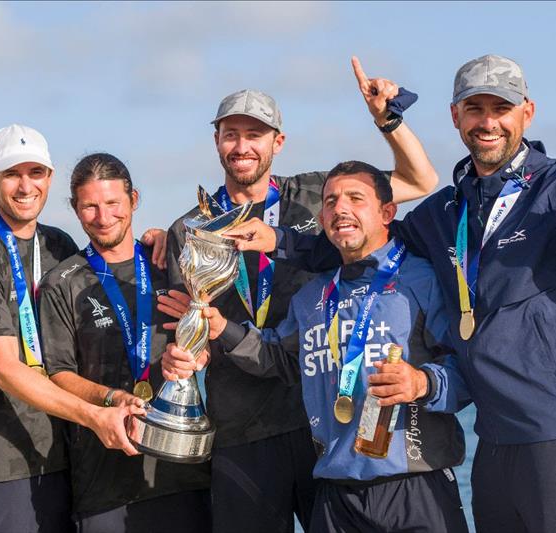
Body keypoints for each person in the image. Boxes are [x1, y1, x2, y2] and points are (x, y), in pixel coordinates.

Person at [228, 54, 556, 533]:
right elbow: (367, 243)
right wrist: (284, 241)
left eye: (500, 108)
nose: (487, 121)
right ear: (455, 116)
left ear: (527, 112)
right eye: (474, 108)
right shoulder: (443, 212)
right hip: (493, 433)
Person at [158, 57, 442, 533]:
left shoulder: (319, 195)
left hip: (324, 425)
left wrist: (387, 120)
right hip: (242, 428)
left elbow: (421, 181)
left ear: (278, 142)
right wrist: (186, 357)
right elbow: (193, 329)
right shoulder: (188, 230)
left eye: (255, 134)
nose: (242, 145)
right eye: (231, 134)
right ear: (217, 142)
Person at [0, 125, 146, 533]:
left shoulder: (60, 246)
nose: (25, 186)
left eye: (35, 173)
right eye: (12, 174)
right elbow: (6, 370)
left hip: (62, 457)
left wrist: (152, 242)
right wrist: (94, 415)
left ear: (49, 179)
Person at [37, 153, 211, 532]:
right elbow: (58, 375)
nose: (103, 217)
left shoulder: (171, 263)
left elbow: (206, 339)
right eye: (90, 207)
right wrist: (111, 398)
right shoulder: (61, 283)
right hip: (104, 483)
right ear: (75, 209)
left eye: (113, 203)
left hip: (184, 473)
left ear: (133, 200)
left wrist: (196, 356)